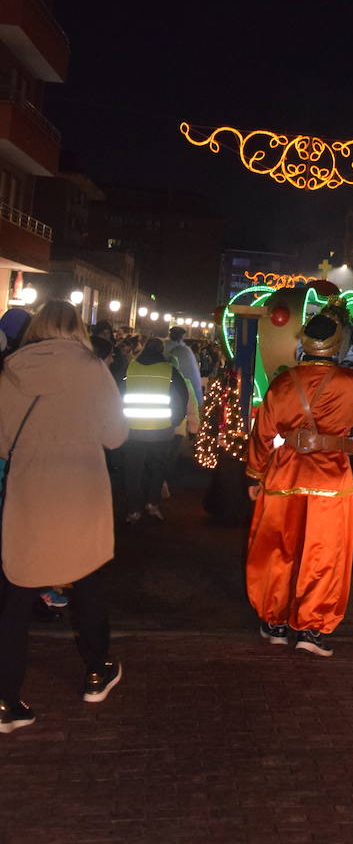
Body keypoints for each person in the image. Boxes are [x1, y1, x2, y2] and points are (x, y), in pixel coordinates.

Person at [0, 300, 128, 734]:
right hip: (80, 490)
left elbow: (2, 442)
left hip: (30, 491)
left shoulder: (11, 370)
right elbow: (116, 435)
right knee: (87, 580)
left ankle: (6, 701)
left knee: (14, 595)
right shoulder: (92, 368)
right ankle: (96, 671)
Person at [246, 312, 353, 657]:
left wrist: (255, 474)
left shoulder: (282, 383)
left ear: (304, 343)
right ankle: (311, 628)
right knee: (324, 554)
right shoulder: (351, 383)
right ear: (337, 345)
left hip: (286, 474)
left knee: (277, 550)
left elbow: (262, 433)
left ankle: (275, 622)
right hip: (330, 478)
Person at [122, 336, 188, 523]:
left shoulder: (130, 368)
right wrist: (174, 422)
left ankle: (134, 509)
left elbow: (118, 393)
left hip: (132, 429)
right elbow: (181, 399)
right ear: (161, 351)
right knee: (158, 468)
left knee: (133, 471)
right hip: (160, 430)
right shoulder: (170, 371)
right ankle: (152, 503)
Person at [164, 324, 203, 408]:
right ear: (181, 337)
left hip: (168, 392)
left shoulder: (163, 349)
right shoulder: (185, 351)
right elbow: (193, 375)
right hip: (186, 393)